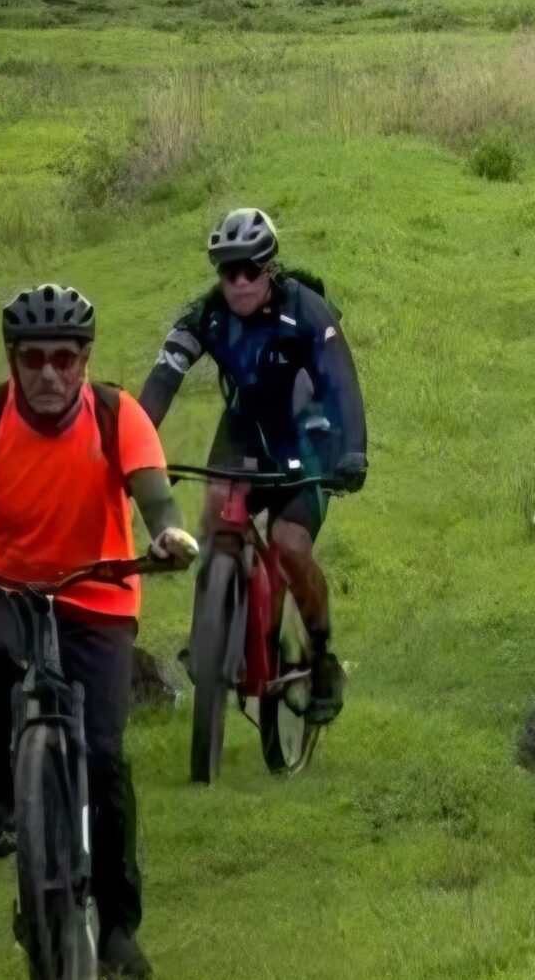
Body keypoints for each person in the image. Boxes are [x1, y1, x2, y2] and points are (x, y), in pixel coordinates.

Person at [0, 285, 198, 978]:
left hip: (99, 590)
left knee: (106, 757)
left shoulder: (120, 416)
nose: (50, 374)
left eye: (65, 357)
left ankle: (119, 927)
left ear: (86, 358)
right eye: (34, 359)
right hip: (0, 582)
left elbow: (157, 498)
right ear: (12, 359)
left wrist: (170, 535)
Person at [140, 208, 368, 728]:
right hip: (243, 435)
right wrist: (139, 449)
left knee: (289, 545)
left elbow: (342, 384)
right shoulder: (207, 316)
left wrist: (353, 453)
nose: (238, 282)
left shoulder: (306, 311)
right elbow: (161, 383)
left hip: (307, 438)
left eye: (249, 270)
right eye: (227, 271)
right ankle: (215, 629)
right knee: (219, 521)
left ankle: (321, 651)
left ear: (270, 267)